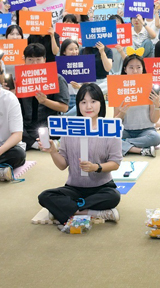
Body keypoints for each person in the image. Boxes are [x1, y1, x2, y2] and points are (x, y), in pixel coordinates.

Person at [37, 83, 122, 228]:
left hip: (101, 186)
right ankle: (89, 212)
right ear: (78, 105)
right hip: (74, 187)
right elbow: (63, 165)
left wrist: (96, 167)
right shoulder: (69, 129)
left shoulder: (109, 128)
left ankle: (66, 211)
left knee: (113, 197)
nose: (88, 106)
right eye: (83, 102)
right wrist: (52, 151)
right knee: (45, 196)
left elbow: (115, 163)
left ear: (101, 103)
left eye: (93, 101)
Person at [18, 43, 70, 150]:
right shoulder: (18, 78)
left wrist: (45, 101)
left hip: (48, 124)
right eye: (30, 60)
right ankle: (35, 143)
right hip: (26, 126)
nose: (34, 63)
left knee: (61, 128)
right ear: (25, 60)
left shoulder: (57, 78)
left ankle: (36, 143)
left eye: (38, 59)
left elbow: (64, 107)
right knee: (10, 128)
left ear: (44, 59)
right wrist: (12, 92)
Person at [114, 55, 160, 157]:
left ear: (143, 69)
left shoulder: (150, 87)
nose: (135, 71)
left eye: (138, 67)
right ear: (125, 69)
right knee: (108, 137)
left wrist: (157, 106)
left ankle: (124, 144)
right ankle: (140, 150)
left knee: (156, 138)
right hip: (126, 130)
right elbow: (115, 121)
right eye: (131, 67)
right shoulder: (118, 87)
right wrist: (122, 112)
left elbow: (154, 120)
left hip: (146, 130)